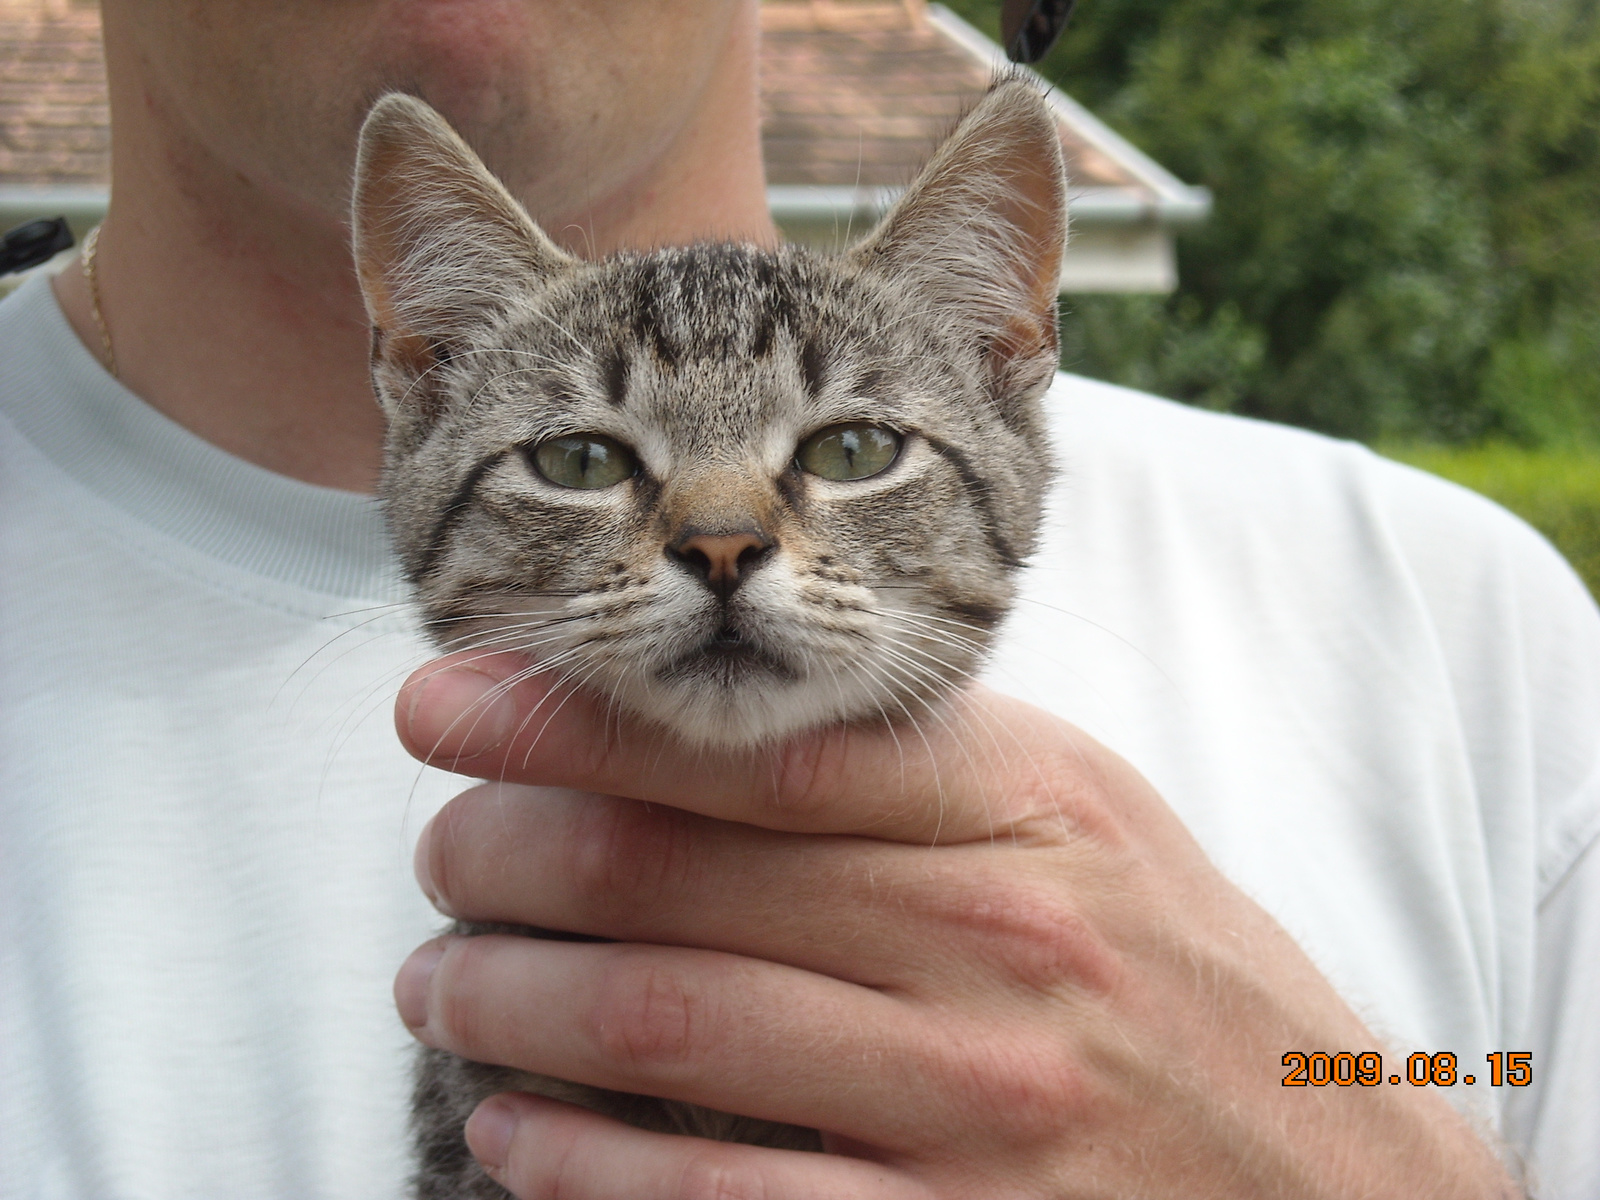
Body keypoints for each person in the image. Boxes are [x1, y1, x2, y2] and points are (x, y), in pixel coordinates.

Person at [1, 1, 1595, 1196]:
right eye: (581, 457)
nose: (718, 531)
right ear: (416, 379)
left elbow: (1492, 1081)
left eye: (844, 448)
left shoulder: (1467, 643)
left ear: (1003, 365)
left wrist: (1334, 1118)